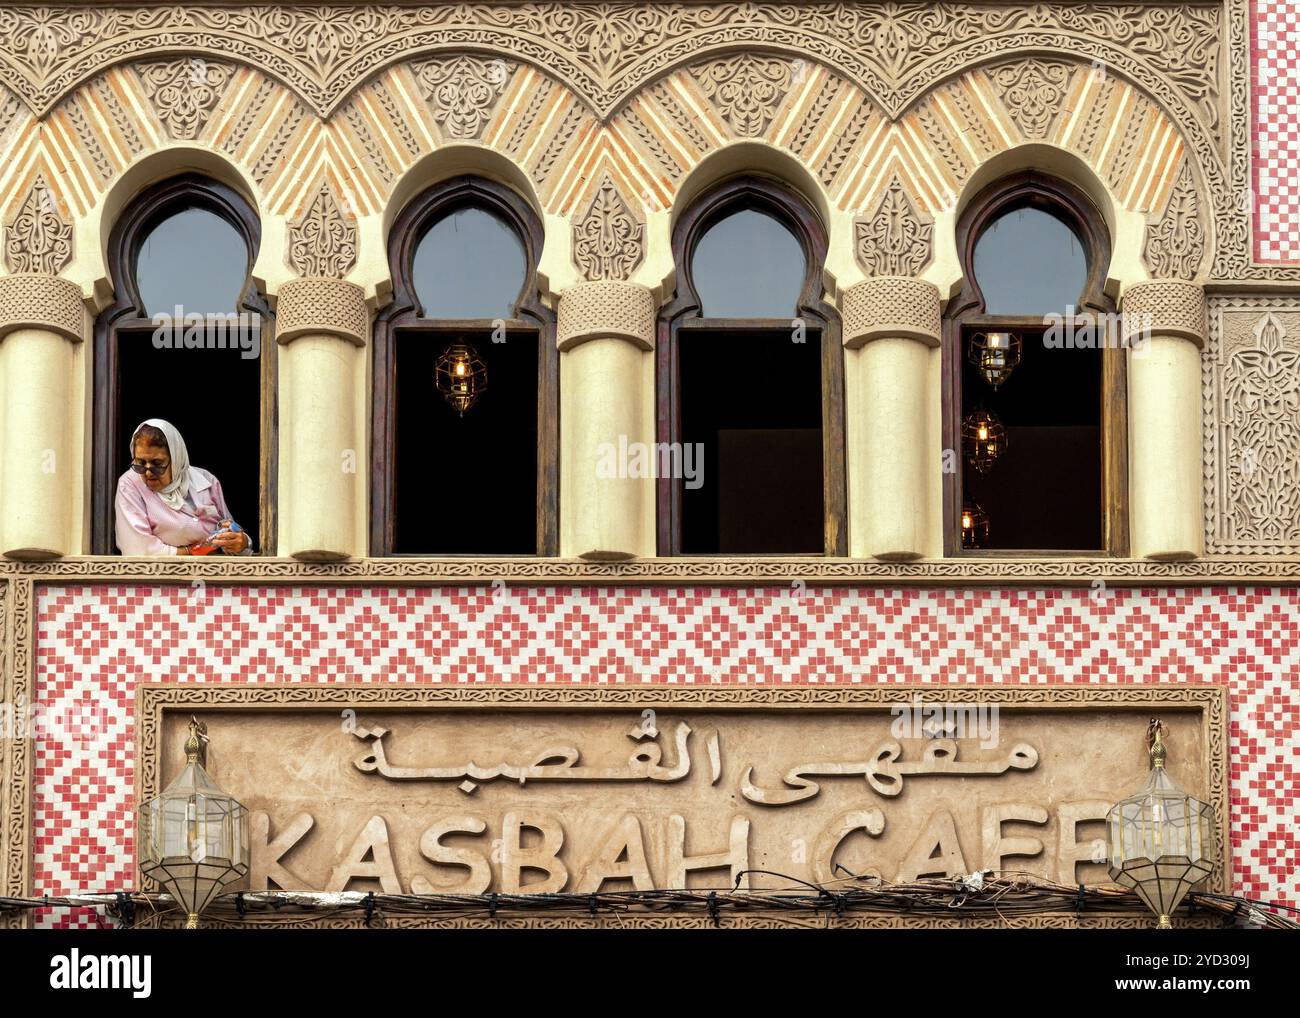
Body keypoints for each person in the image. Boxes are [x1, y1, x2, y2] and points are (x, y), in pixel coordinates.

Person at [115, 418, 253, 555]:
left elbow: (229, 532)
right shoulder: (130, 485)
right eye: (140, 463)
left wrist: (241, 541)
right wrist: (190, 551)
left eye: (157, 463)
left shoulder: (206, 480)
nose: (148, 472)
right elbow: (139, 548)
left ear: (176, 459)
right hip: (162, 575)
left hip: (213, 573)